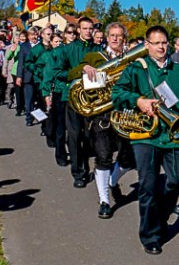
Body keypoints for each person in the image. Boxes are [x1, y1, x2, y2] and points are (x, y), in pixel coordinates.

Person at [111, 25, 179, 254]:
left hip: (172, 135)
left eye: (164, 42)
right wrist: (138, 101)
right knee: (147, 186)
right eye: (156, 43)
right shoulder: (136, 68)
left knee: (177, 179)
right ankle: (151, 236)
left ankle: (159, 218)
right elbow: (117, 94)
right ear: (146, 45)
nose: (161, 47)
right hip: (145, 136)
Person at [87, 22, 136, 217]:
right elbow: (75, 74)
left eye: (119, 36)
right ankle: (104, 201)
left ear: (124, 39)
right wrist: (86, 68)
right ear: (107, 37)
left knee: (127, 159)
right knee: (103, 157)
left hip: (125, 114)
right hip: (103, 115)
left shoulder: (131, 60)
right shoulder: (95, 57)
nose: (115, 39)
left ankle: (111, 182)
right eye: (112, 35)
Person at [46, 17, 101, 187]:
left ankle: (98, 170)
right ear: (78, 30)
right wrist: (80, 71)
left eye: (90, 28)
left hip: (93, 99)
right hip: (73, 98)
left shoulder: (99, 50)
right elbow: (58, 72)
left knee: (91, 137)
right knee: (75, 136)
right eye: (84, 28)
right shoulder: (67, 49)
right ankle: (78, 173)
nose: (88, 31)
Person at [41, 31, 70, 167]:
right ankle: (60, 154)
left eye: (73, 33)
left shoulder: (76, 51)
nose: (71, 36)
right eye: (69, 33)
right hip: (60, 92)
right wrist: (47, 94)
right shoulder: (53, 54)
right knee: (60, 126)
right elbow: (48, 74)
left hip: (74, 93)